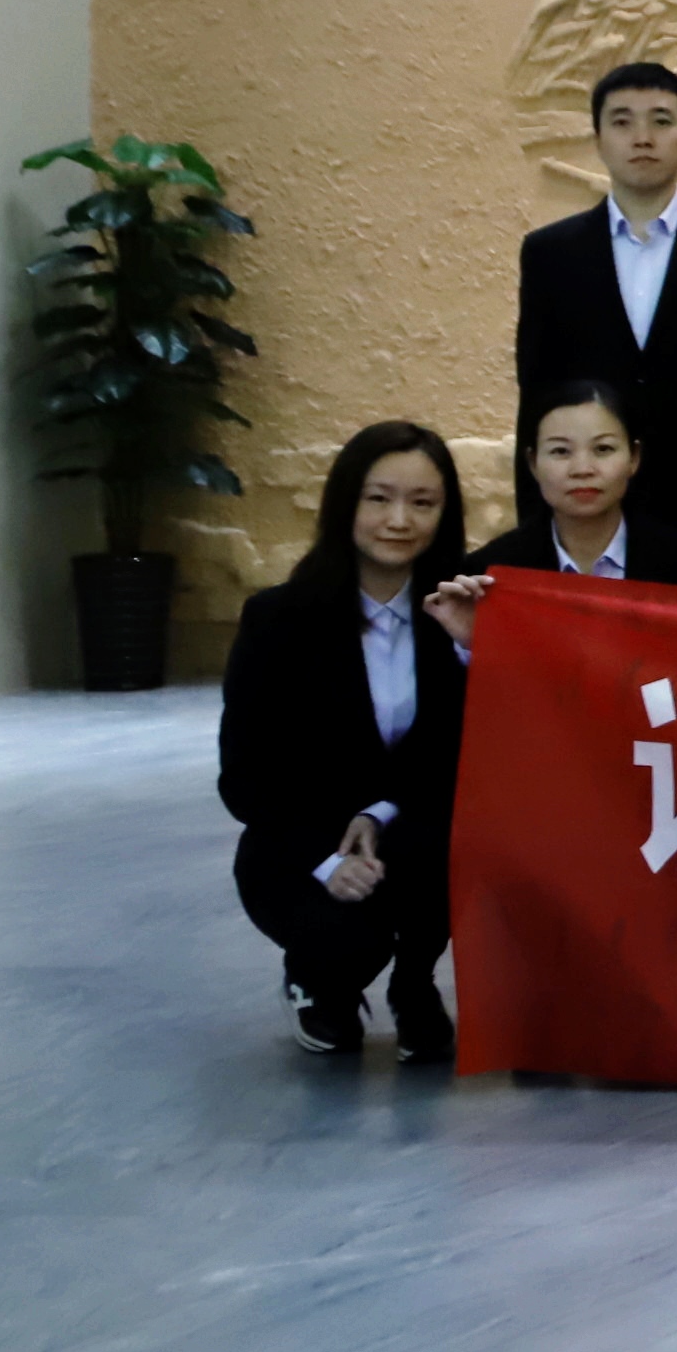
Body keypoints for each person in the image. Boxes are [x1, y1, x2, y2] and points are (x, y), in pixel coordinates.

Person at [215, 422, 471, 1063]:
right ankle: (317, 982)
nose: (399, 520)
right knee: (350, 935)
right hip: (298, 841)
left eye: (423, 502)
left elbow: (457, 753)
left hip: (406, 825)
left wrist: (379, 812)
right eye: (378, 498)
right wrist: (328, 861)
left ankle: (415, 985)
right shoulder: (278, 619)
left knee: (454, 845)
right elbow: (244, 776)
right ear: (344, 503)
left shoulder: (455, 613)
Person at [512, 60, 677, 537]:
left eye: (661, 121)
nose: (642, 139)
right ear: (598, 138)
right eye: (622, 122)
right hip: (590, 514)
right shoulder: (551, 253)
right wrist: (534, 526)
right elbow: (538, 395)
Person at [456, 380, 677, 585]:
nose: (582, 469)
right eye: (560, 451)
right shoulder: (492, 571)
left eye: (603, 449)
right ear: (533, 463)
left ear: (634, 457)